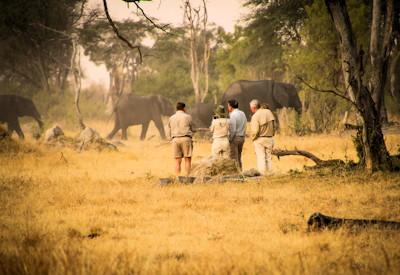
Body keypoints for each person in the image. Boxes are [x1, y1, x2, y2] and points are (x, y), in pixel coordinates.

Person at [167, 102, 194, 176]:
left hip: (175, 140)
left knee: (177, 161)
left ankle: (177, 178)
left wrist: (171, 139)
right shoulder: (188, 117)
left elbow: (169, 130)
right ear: (184, 108)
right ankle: (187, 177)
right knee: (187, 160)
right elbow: (192, 128)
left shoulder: (171, 117)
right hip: (186, 138)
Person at [249, 99, 275, 175]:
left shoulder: (255, 116)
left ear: (254, 107)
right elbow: (274, 126)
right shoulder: (269, 112)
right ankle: (270, 174)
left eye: (250, 108)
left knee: (261, 157)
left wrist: (253, 138)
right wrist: (272, 134)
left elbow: (255, 131)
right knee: (269, 158)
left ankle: (262, 175)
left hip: (260, 139)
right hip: (270, 138)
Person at [227, 99, 247, 170]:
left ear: (231, 107)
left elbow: (233, 130)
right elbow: (245, 125)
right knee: (239, 157)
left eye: (228, 106)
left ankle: (236, 174)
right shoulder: (242, 113)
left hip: (235, 138)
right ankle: (241, 172)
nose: (228, 108)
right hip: (242, 138)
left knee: (233, 158)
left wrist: (230, 139)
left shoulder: (232, 115)